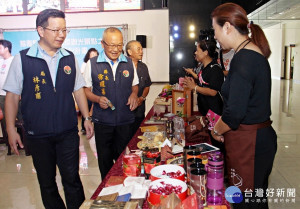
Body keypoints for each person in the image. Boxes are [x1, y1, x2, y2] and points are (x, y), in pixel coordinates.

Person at [3, 9, 94, 209]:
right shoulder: (22, 59)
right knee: (47, 183)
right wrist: (10, 129)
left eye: (64, 30)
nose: (61, 35)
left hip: (68, 132)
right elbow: (11, 97)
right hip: (38, 134)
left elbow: (78, 89)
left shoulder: (69, 58)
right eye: (56, 30)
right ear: (40, 30)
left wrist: (87, 118)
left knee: (72, 179)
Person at [211, 3, 277, 209]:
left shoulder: (244, 59)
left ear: (228, 27)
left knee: (245, 202)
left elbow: (234, 113)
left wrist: (216, 129)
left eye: (215, 30)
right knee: (255, 200)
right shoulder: (251, 53)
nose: (215, 36)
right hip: (255, 140)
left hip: (250, 144)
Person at [83, 27, 138, 180]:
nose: (116, 49)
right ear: (102, 44)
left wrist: (134, 93)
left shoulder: (128, 62)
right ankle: (107, 190)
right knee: (105, 161)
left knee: (124, 160)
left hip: (125, 120)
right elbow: (86, 90)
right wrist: (96, 99)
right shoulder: (92, 64)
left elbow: (135, 84)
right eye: (112, 45)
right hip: (103, 121)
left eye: (119, 45)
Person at [183, 39, 224, 116]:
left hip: (214, 113)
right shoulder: (204, 67)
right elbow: (203, 81)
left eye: (197, 50)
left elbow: (213, 92)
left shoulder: (215, 69)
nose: (195, 53)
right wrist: (191, 82)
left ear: (205, 53)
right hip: (205, 111)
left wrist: (194, 87)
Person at [125, 40, 152, 136]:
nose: (141, 52)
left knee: (139, 135)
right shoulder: (122, 66)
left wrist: (142, 98)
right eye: (138, 49)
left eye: (141, 49)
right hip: (125, 111)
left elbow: (147, 85)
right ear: (129, 52)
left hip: (139, 110)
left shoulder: (143, 67)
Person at [0, 40, 22, 141]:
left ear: (6, 48)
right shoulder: (1, 61)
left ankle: (23, 140)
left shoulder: (14, 60)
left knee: (21, 118)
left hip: (14, 95)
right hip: (2, 95)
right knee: (6, 120)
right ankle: (9, 141)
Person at [80, 48, 99, 134]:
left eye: (95, 55)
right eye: (92, 55)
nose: (94, 57)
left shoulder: (98, 65)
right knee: (86, 108)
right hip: (87, 91)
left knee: (93, 108)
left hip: (94, 91)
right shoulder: (85, 65)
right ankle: (84, 127)